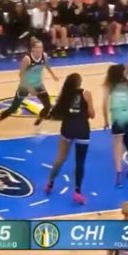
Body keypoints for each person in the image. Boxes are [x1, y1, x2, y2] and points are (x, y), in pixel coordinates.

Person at [0, 39, 59, 136]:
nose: (40, 49)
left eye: (41, 47)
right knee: (13, 108)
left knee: (47, 106)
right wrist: (30, 89)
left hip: (38, 84)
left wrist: (53, 75)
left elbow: (46, 65)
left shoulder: (44, 56)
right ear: (33, 49)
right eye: (38, 47)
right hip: (25, 85)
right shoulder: (27, 59)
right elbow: (21, 75)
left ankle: (36, 126)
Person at [44, 73, 95, 205]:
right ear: (79, 83)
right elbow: (92, 114)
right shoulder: (86, 94)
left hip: (67, 128)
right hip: (82, 129)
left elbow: (56, 112)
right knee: (80, 162)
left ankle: (50, 183)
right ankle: (77, 192)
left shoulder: (64, 94)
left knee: (60, 159)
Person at [103, 64, 128, 188]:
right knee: (127, 138)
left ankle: (118, 176)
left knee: (117, 146)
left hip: (118, 117)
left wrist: (106, 120)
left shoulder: (109, 85)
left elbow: (104, 104)